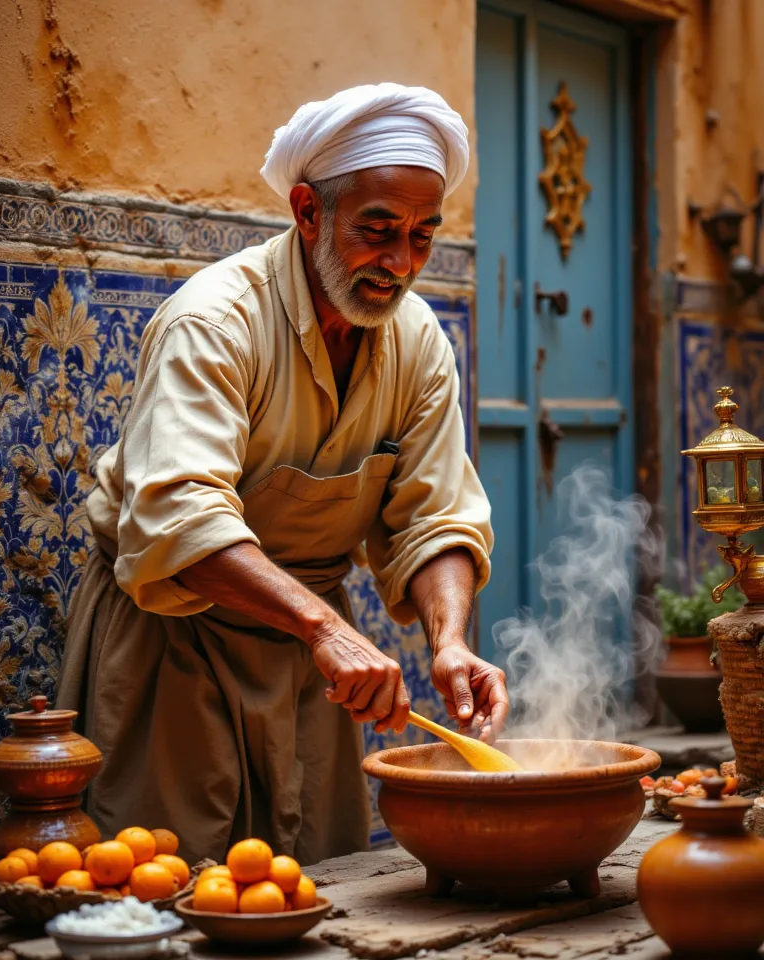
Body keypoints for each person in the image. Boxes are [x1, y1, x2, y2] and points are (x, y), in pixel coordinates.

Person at [57, 83, 508, 867]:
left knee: (318, 885)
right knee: (173, 885)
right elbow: (181, 523)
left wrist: (449, 640)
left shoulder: (418, 342)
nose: (400, 263)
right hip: (176, 637)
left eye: (423, 237)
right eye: (378, 231)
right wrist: (327, 629)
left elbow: (436, 516)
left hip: (309, 664)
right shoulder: (214, 323)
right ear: (308, 212)